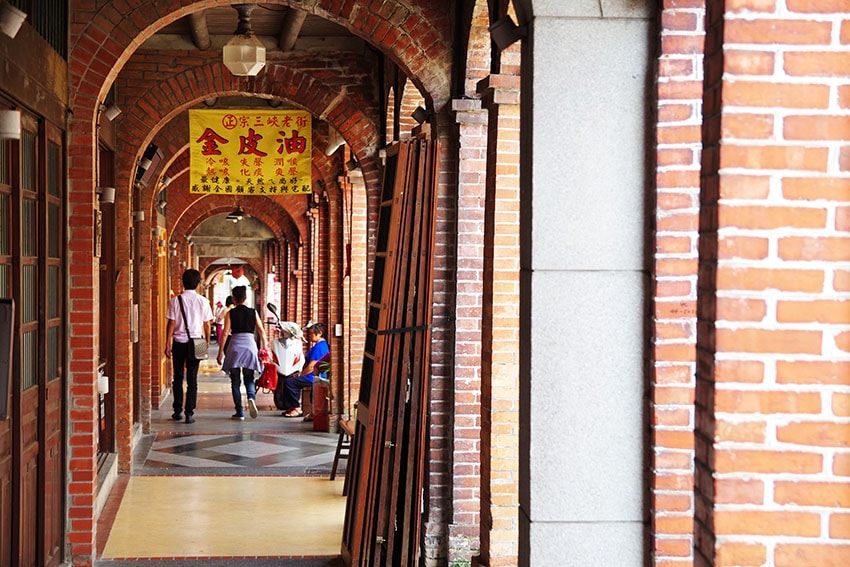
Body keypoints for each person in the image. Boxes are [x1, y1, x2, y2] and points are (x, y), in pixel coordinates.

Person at [164, 268, 214, 424]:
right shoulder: (203, 301)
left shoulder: (175, 301)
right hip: (197, 341)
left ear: (183, 282)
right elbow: (207, 324)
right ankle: (189, 413)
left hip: (178, 342)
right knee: (193, 378)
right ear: (198, 283)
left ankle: (177, 410)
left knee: (178, 377)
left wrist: (167, 343)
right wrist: (206, 341)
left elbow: (171, 323)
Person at [216, 286, 267, 419]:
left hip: (235, 347)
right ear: (245, 297)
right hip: (250, 346)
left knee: (235, 381)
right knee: (249, 377)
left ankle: (239, 411)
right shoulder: (253, 312)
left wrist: (220, 352)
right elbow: (262, 331)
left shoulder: (230, 313)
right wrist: (265, 347)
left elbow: (226, 333)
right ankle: (251, 397)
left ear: (234, 298)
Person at [281, 322, 329, 418]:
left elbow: (312, 367)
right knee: (291, 379)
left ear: (319, 333)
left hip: (314, 377)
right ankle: (293, 406)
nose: (310, 336)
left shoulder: (320, 347)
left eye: (311, 333)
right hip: (313, 375)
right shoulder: (321, 345)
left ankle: (296, 407)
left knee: (290, 382)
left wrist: (300, 375)